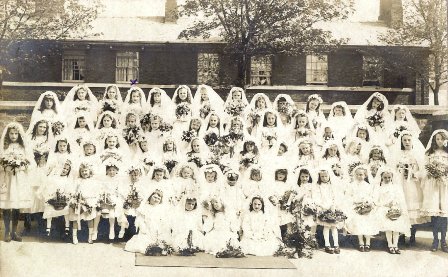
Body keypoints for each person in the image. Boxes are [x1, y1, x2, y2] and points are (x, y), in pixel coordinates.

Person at [0, 122, 34, 242]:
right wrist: (5, 167)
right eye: (11, 133)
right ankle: (7, 232)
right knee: (7, 206)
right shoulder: (4, 147)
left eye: (15, 134)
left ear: (19, 135)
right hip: (7, 178)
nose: (13, 136)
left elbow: (30, 163)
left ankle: (14, 231)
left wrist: (21, 167)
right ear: (8, 134)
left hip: (19, 178)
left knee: (16, 205)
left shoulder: (23, 148)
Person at [421, 129, 448, 252]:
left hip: (445, 184)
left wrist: (444, 174)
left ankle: (444, 241)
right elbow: (425, 169)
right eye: (437, 139)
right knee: (435, 215)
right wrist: (432, 173)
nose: (440, 141)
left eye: (442, 139)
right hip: (433, 185)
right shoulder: (429, 154)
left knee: (444, 215)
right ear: (434, 140)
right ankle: (435, 240)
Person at [375, 166, 411, 254]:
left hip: (395, 208)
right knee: (388, 228)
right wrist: (385, 204)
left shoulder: (396, 187)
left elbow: (400, 199)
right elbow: (375, 200)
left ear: (392, 177)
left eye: (389, 177)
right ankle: (390, 245)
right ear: (381, 178)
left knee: (396, 228)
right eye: (385, 177)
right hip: (384, 208)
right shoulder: (379, 188)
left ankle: (396, 245)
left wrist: (395, 204)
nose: (387, 179)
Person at [124, 189, 172, 254]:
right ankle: (152, 248)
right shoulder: (144, 207)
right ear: (150, 197)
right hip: (147, 230)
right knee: (143, 242)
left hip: (158, 230)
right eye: (154, 197)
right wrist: (144, 230)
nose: (156, 199)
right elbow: (140, 220)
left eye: (158, 198)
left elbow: (163, 221)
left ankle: (158, 247)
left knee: (163, 241)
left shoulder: (161, 209)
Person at [345, 165, 379, 252]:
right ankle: (361, 243)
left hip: (366, 207)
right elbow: (348, 196)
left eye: (361, 175)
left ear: (365, 175)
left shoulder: (368, 186)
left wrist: (367, 203)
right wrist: (356, 203)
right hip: (356, 207)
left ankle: (368, 243)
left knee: (367, 224)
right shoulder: (351, 185)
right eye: (357, 175)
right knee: (358, 223)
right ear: (354, 175)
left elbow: (371, 197)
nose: (359, 176)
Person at [39, 159, 74, 239]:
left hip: (63, 198)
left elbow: (69, 189)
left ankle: (67, 226)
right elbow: (48, 188)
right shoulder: (53, 178)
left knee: (67, 208)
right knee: (49, 207)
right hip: (53, 198)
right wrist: (51, 195)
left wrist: (66, 195)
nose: (65, 170)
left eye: (67, 169)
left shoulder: (67, 179)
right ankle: (48, 227)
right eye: (63, 168)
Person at [68, 162, 99, 244]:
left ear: (90, 171)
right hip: (79, 200)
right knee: (75, 217)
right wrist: (75, 198)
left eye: (86, 171)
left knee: (89, 218)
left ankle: (90, 237)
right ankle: (74, 237)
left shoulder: (93, 181)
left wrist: (92, 201)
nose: (84, 173)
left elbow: (96, 192)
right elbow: (74, 190)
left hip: (89, 201)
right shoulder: (78, 181)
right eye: (82, 171)